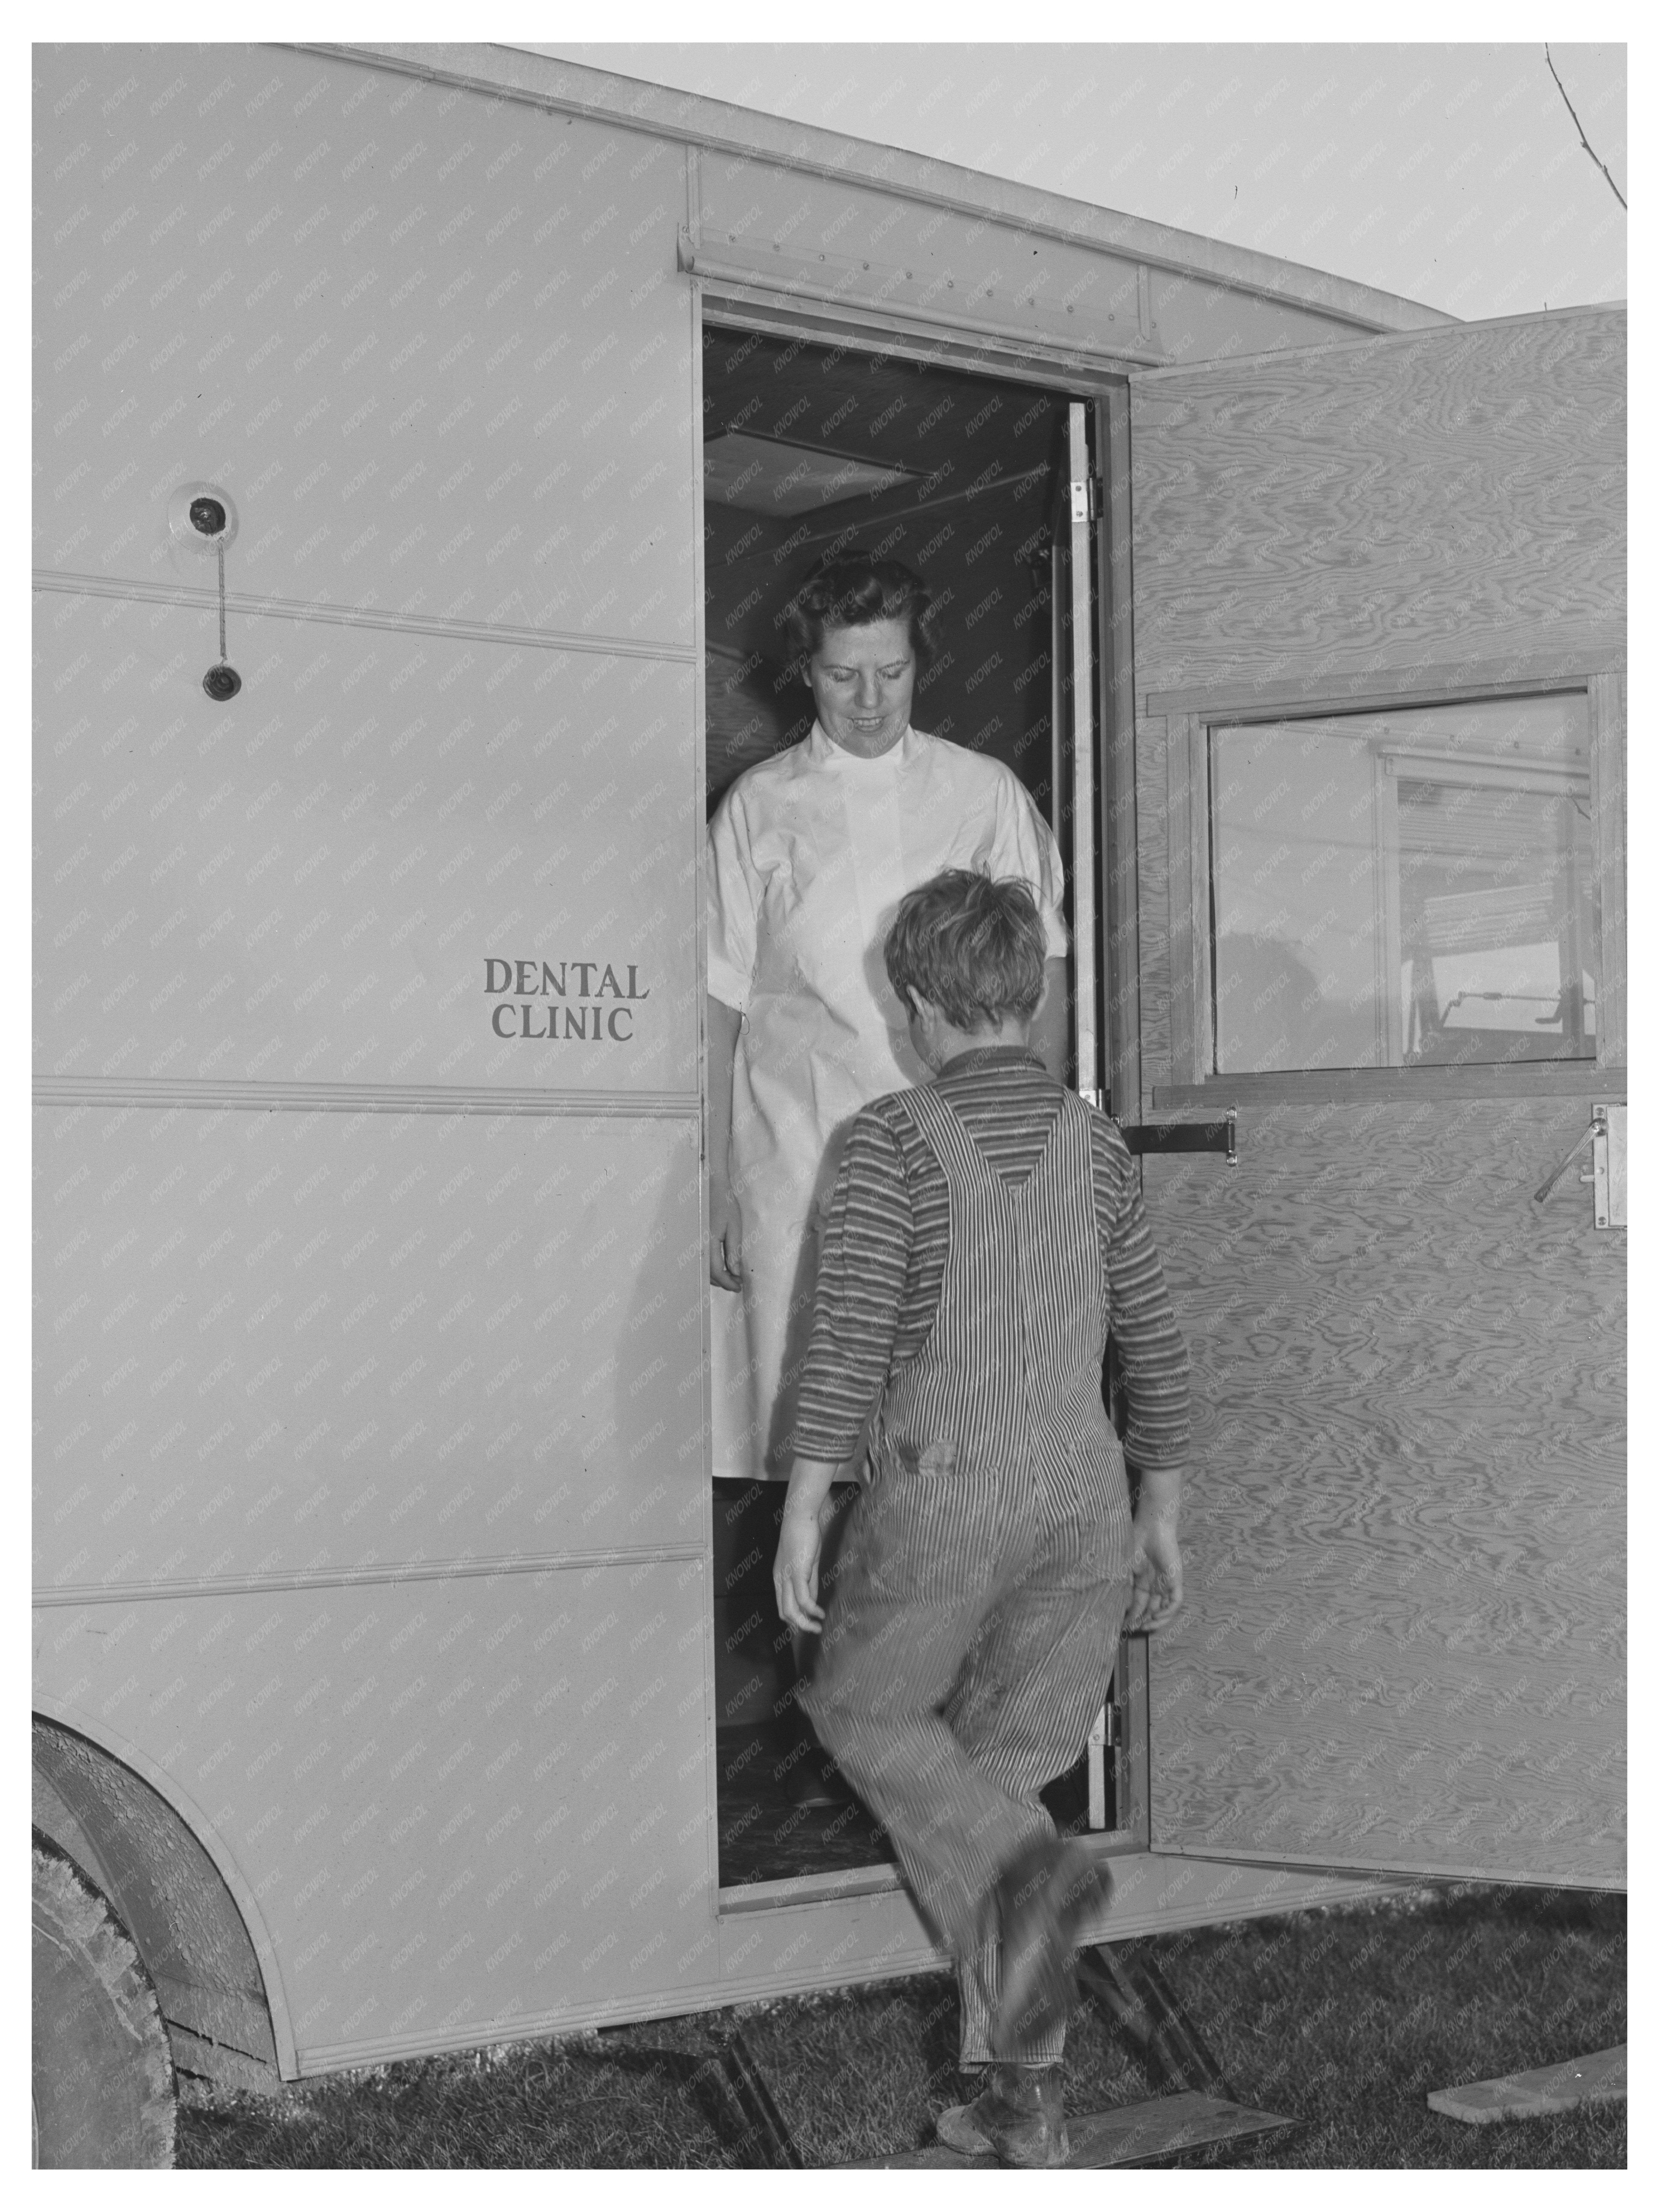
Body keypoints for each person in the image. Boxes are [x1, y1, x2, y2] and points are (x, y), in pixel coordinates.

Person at [773, 870, 1190, 2169]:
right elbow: (1158, 1342)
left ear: (912, 1005)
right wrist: (1162, 1504)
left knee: (867, 1712)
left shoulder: (889, 1143)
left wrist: (803, 1503)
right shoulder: (1101, 1147)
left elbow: (846, 1344)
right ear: (1038, 992)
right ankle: (1020, 2093)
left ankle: (1031, 1873)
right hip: (1084, 1496)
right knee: (998, 1767)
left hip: (951, 1491)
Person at [706, 554, 1069, 1487]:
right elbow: (717, 999)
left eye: (892, 671)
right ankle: (803, 1624)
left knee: (948, 1421)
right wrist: (710, 1178)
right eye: (840, 675)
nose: (868, 699)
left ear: (920, 662)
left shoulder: (982, 793)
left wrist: (1035, 1147)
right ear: (806, 670)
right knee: (806, 1434)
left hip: (952, 1158)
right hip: (793, 1150)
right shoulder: (758, 806)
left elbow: (1042, 975)